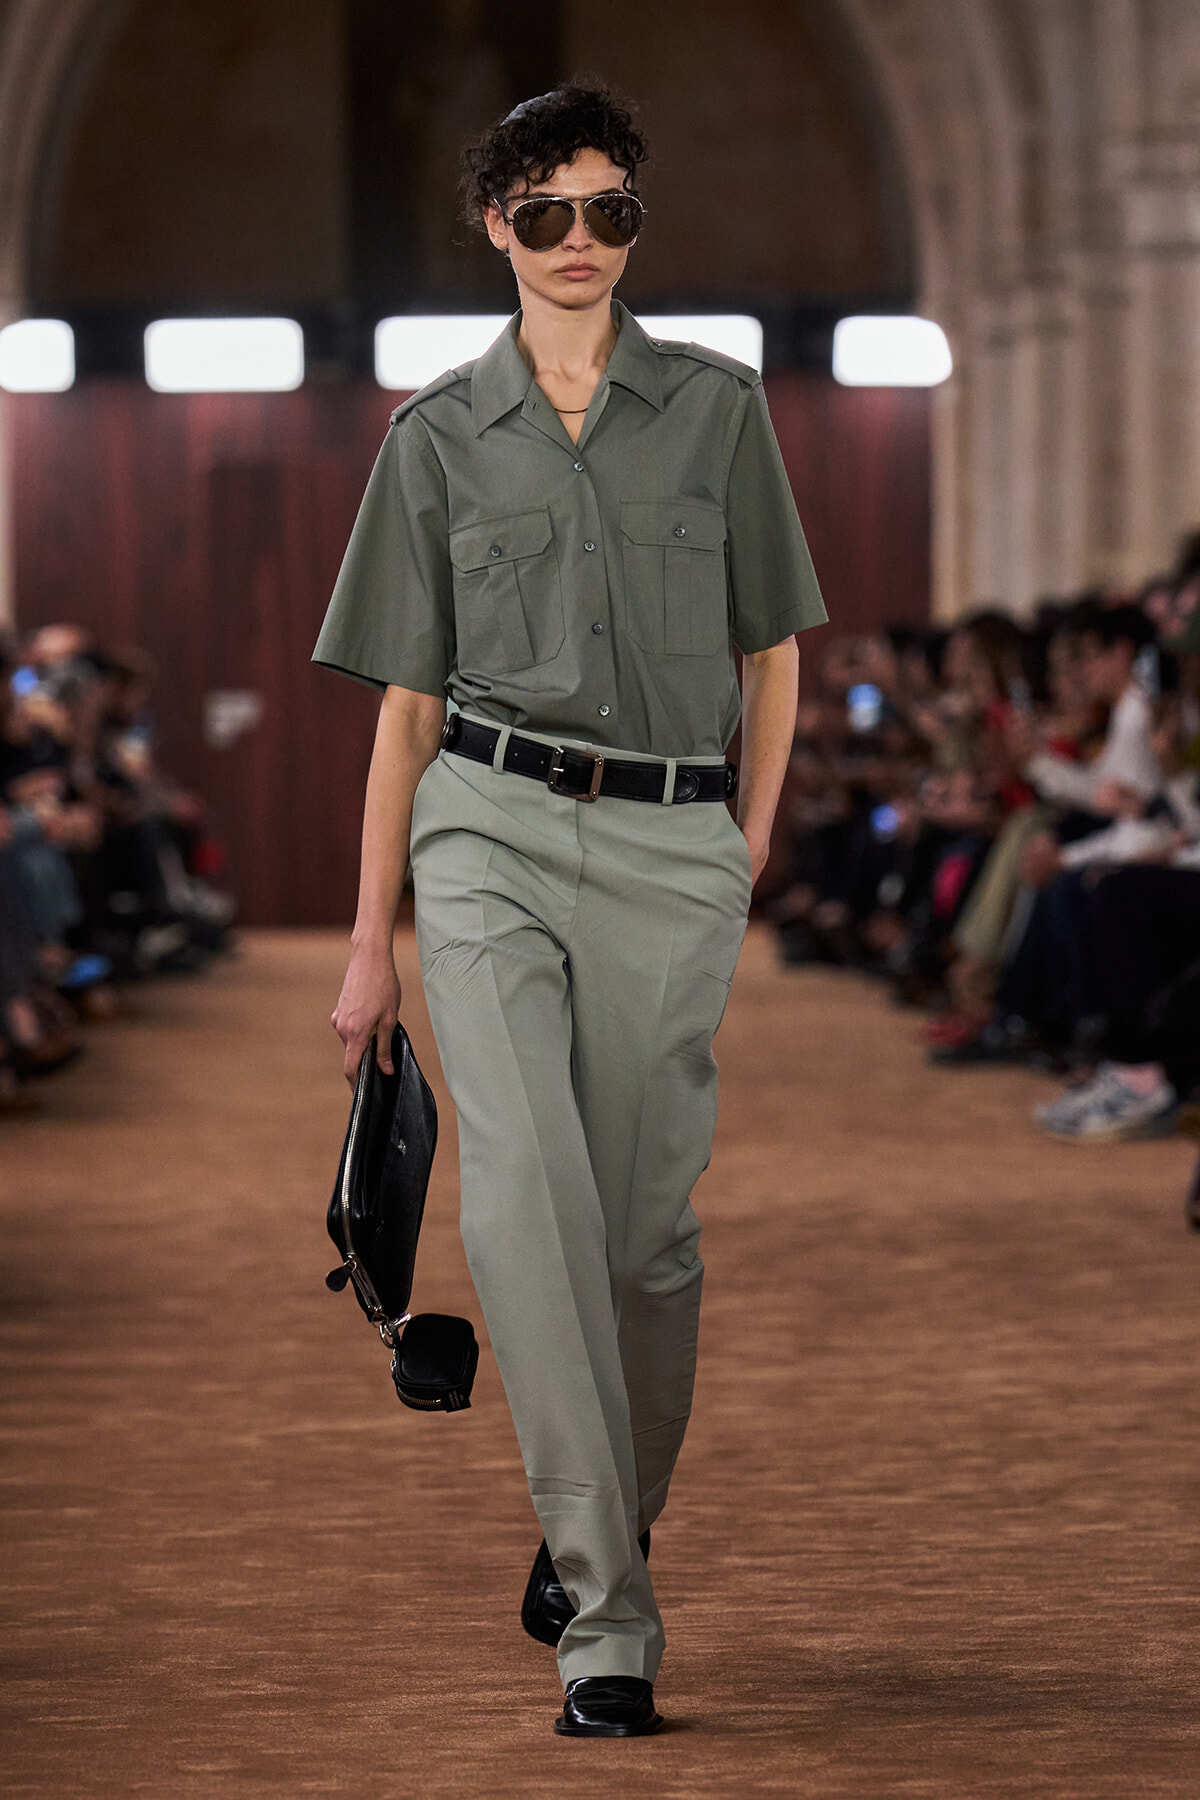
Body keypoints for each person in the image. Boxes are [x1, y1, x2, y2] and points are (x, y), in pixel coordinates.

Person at [313, 81, 825, 1737]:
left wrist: (743, 843)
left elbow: (775, 648)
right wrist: (366, 937)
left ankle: (607, 1507)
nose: (582, 242)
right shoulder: (438, 435)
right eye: (548, 215)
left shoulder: (720, 410)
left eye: (611, 212)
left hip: (677, 846)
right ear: (497, 228)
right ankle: (609, 1608)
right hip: (487, 828)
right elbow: (403, 702)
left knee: (644, 1244)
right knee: (523, 1197)